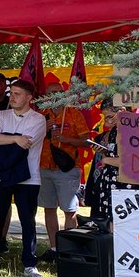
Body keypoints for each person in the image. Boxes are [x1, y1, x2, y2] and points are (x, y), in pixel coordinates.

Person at [0, 79, 48, 277]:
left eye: (18, 94)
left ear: (29, 98)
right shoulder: (1, 115)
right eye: (12, 93)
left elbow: (25, 144)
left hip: (28, 179)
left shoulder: (38, 119)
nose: (13, 97)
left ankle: (29, 264)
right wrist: (16, 138)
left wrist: (7, 139)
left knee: (28, 221)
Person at [36, 77, 91, 263]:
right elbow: (28, 138)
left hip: (67, 169)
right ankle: (53, 248)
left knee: (69, 210)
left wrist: (67, 140)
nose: (54, 96)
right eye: (50, 93)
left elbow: (86, 141)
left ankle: (68, 249)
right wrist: (43, 128)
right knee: (49, 208)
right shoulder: (40, 115)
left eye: (58, 93)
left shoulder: (74, 114)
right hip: (44, 168)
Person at [82, 99, 139, 225]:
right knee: (109, 224)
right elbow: (115, 154)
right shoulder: (115, 130)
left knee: (123, 224)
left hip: (125, 186)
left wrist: (106, 159)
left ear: (122, 111)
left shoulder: (133, 131)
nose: (108, 121)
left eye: (110, 116)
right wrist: (104, 153)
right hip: (110, 183)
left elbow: (132, 161)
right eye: (105, 117)